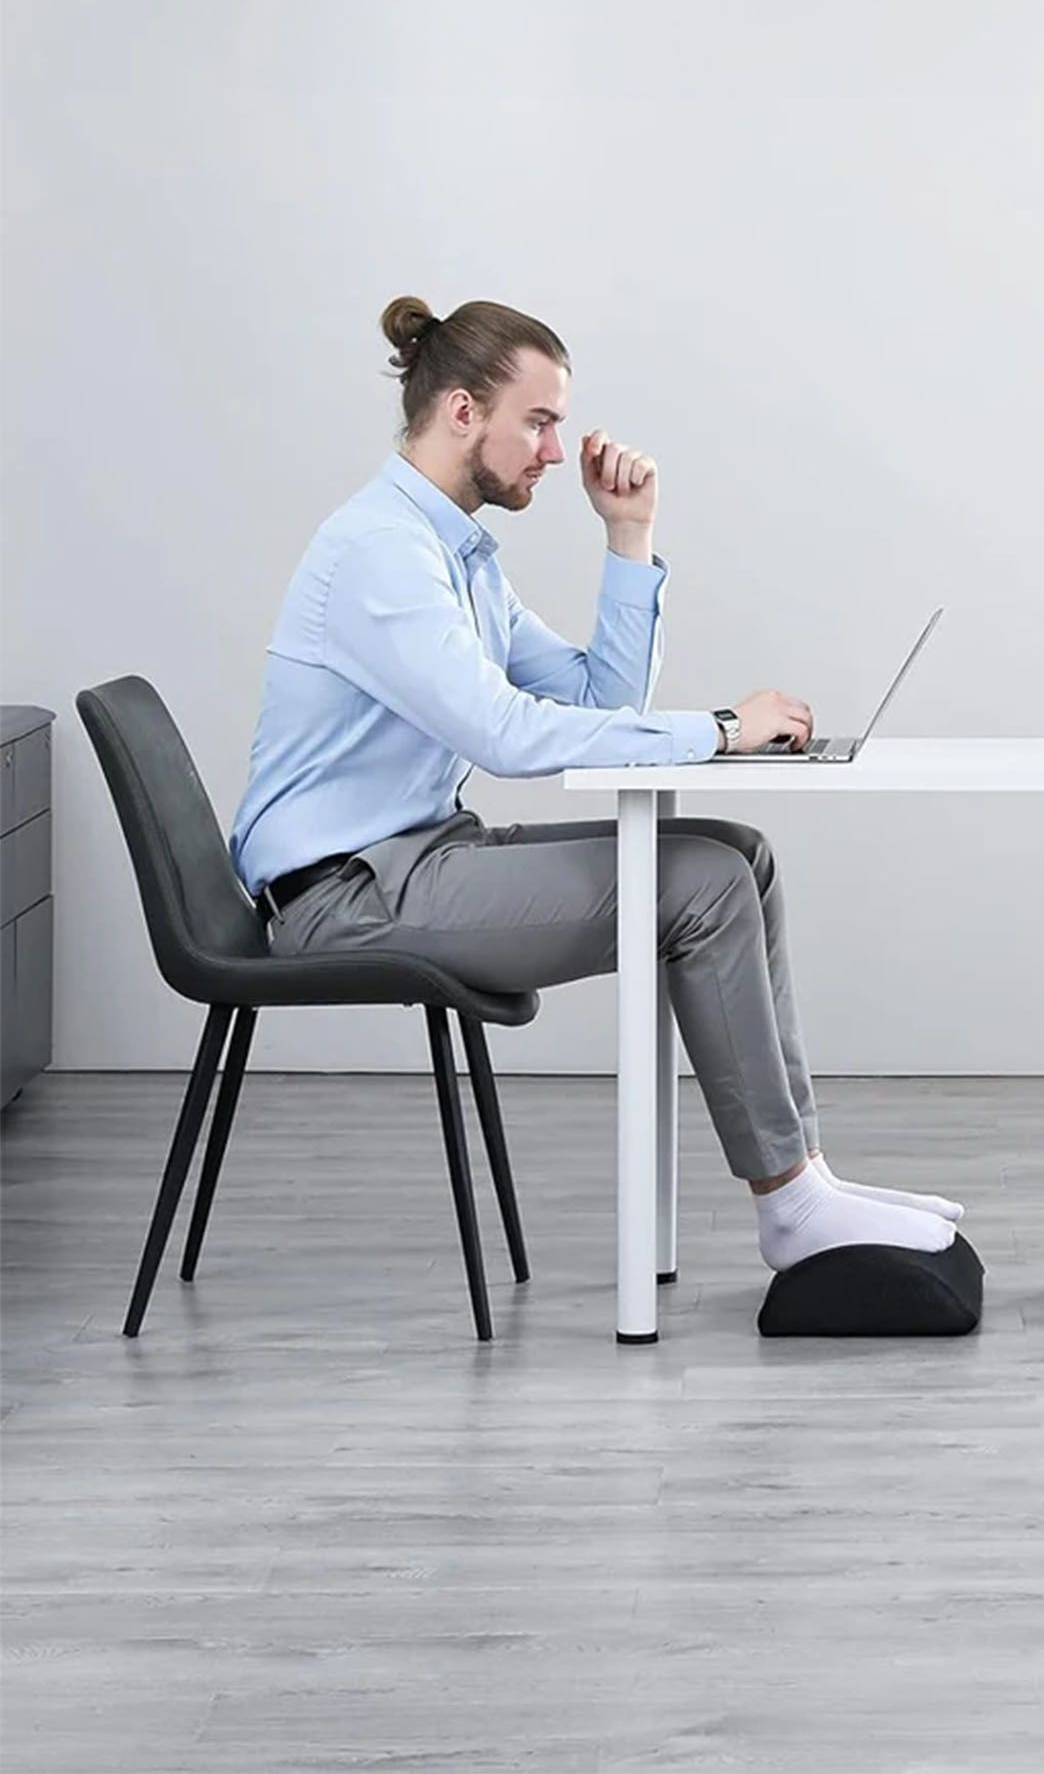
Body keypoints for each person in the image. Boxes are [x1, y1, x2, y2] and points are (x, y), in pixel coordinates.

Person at [230, 296, 962, 1273]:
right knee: (700, 886)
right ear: (461, 410)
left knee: (737, 856)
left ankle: (808, 1177)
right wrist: (720, 729)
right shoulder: (381, 553)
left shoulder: (454, 553)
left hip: (415, 857)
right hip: (344, 896)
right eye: (536, 421)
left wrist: (628, 535)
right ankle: (790, 1207)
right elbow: (503, 733)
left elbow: (595, 702)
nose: (552, 450)